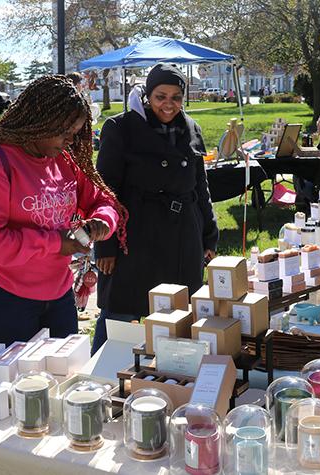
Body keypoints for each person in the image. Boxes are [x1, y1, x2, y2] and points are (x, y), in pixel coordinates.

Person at [0, 75, 127, 347]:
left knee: (61, 380)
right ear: (40, 122)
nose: (70, 141)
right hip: (3, 296)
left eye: (74, 134)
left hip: (59, 293)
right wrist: (56, 243)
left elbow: (104, 200)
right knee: (12, 387)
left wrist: (102, 222)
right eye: (64, 133)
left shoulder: (63, 159)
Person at [92, 63, 218, 354]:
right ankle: (100, 374)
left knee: (180, 313)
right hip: (134, 235)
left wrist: (209, 236)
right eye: (161, 96)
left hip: (183, 234)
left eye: (176, 97)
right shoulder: (120, 127)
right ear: (148, 95)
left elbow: (201, 187)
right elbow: (105, 190)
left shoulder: (191, 128)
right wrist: (105, 246)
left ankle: (175, 374)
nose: (168, 104)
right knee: (121, 311)